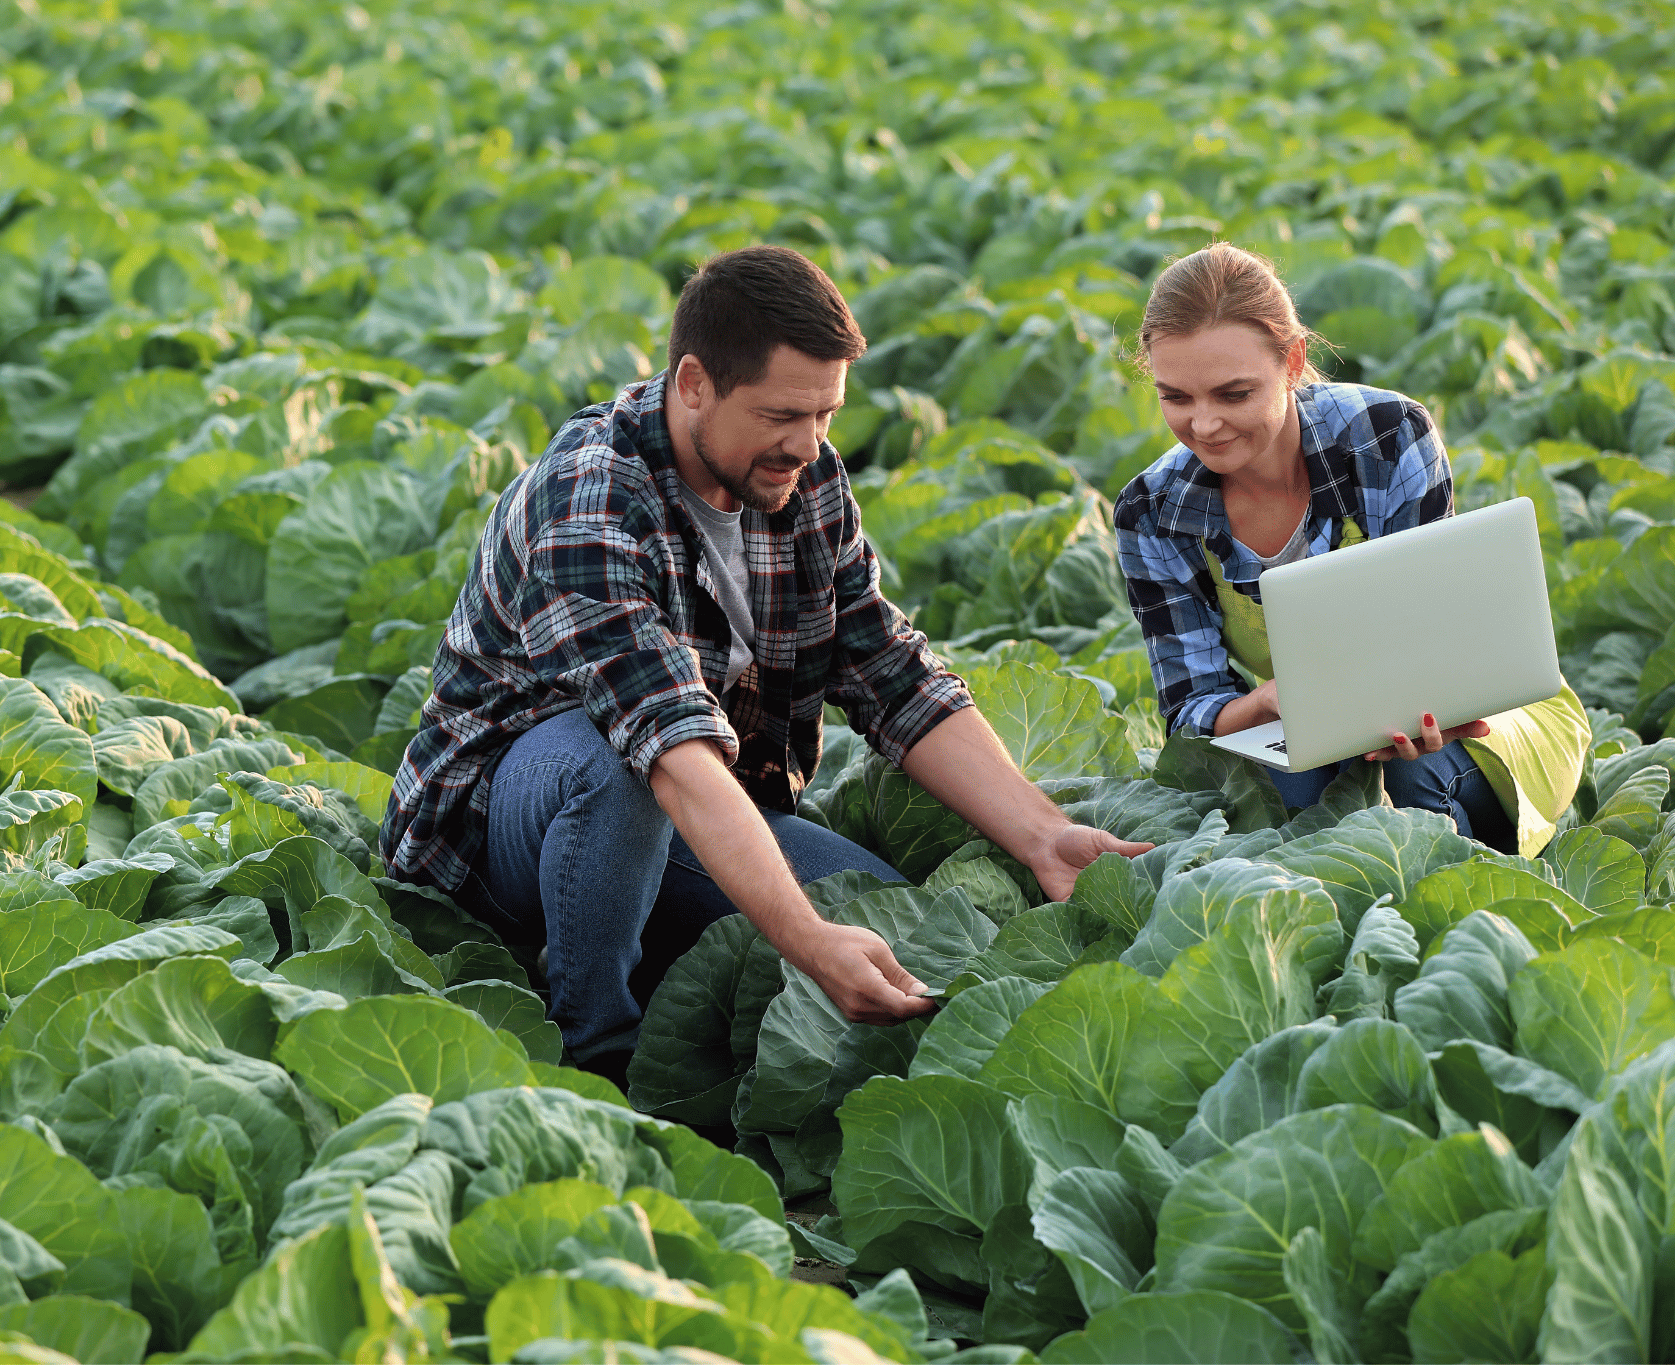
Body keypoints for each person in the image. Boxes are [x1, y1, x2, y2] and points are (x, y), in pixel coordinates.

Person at [382, 245, 1152, 1085]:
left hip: (693, 810)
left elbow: (889, 668)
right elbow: (668, 747)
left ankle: (649, 956)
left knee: (896, 926)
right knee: (620, 761)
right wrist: (808, 941)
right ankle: (595, 1053)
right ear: (693, 385)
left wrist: (1043, 834)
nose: (808, 443)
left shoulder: (801, 477)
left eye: (826, 413)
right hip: (508, 831)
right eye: (783, 413)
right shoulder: (589, 498)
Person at [1114, 242, 1589, 855]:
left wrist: (1425, 703)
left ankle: (1468, 905)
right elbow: (1189, 707)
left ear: (1292, 363)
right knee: (1294, 788)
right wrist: (1263, 703)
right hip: (1307, 731)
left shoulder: (1389, 435)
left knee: (1407, 773)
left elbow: (1436, 645)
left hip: (1476, 718)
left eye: (1233, 395)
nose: (1204, 424)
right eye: (1176, 397)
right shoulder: (1151, 510)